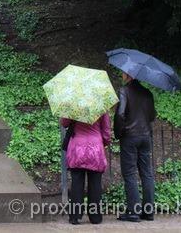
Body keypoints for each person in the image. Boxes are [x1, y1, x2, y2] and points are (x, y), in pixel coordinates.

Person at [114, 72, 156, 222]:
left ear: (129, 75)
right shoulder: (148, 93)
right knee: (147, 173)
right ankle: (149, 212)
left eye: (124, 73)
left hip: (130, 137)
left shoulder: (124, 91)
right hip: (145, 137)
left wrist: (119, 133)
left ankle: (133, 211)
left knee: (130, 174)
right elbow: (152, 116)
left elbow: (120, 115)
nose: (122, 74)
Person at [61, 112, 111, 225]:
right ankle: (95, 217)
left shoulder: (73, 105)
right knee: (95, 183)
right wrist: (105, 142)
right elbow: (106, 129)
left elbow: (64, 123)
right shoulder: (101, 107)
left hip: (77, 148)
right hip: (95, 148)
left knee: (77, 183)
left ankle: (75, 217)